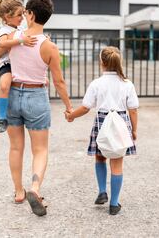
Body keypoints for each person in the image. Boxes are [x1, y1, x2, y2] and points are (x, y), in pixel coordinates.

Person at [0, 0, 73, 216]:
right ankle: (35, 189)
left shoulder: (13, 35)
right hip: (36, 96)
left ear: (32, 15)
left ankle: (19, 191)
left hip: (13, 95)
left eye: (25, 12)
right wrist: (68, 107)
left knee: (16, 147)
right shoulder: (50, 47)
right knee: (40, 149)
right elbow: (59, 82)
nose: (23, 16)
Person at [65, 46, 138, 215]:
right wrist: (134, 130)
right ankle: (114, 203)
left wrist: (71, 116)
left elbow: (85, 107)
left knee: (100, 157)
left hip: (102, 122)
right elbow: (133, 110)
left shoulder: (97, 83)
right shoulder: (127, 84)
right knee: (117, 162)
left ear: (102, 63)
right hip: (121, 123)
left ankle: (101, 192)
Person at [0, 0, 37, 134]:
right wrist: (20, 40)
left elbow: (32, 36)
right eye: (19, 15)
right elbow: (3, 44)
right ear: (7, 16)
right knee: (4, 85)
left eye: (23, 14)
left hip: (20, 63)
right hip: (8, 64)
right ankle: (1, 118)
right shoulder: (4, 30)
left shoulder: (20, 29)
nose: (22, 18)